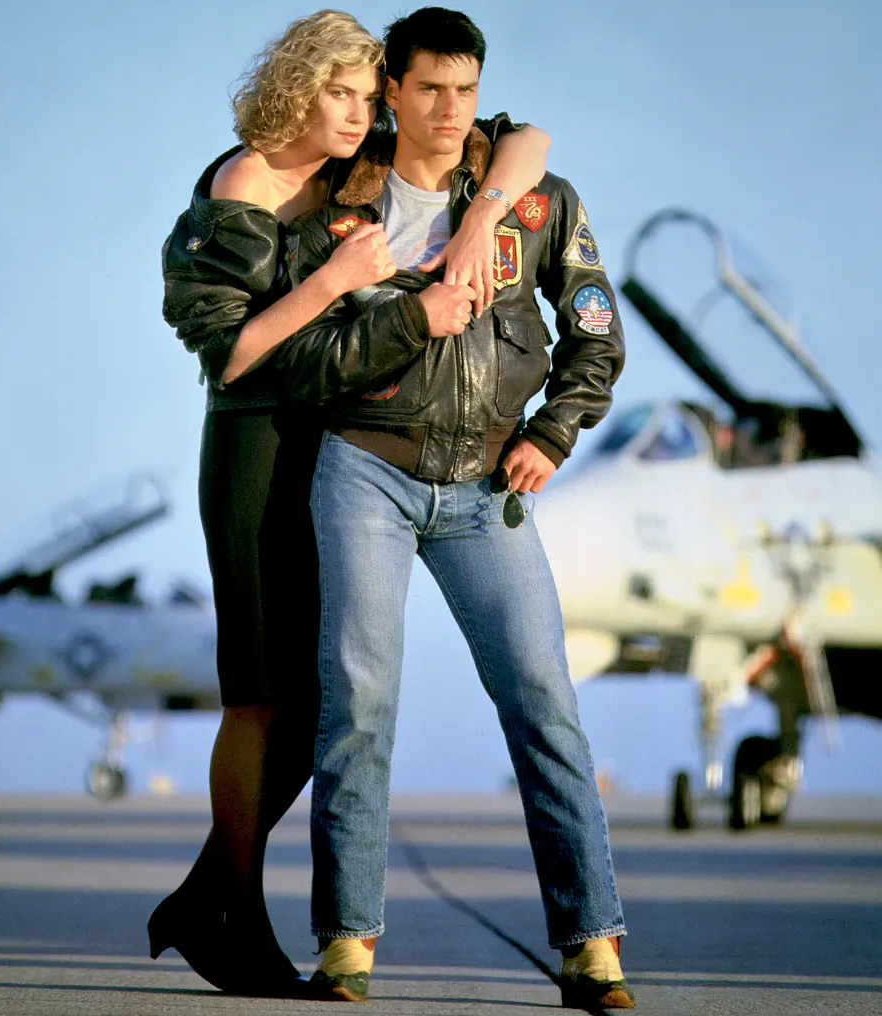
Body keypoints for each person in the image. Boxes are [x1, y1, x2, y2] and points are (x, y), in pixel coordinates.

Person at [150, 9, 552, 998]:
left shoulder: (351, 162)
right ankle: (230, 912)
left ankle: (209, 892)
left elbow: (531, 140)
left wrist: (477, 218)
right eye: (343, 94)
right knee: (257, 692)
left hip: (327, 439)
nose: (363, 115)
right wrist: (334, 276)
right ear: (298, 85)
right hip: (253, 441)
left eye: (371, 99)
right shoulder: (243, 181)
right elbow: (231, 351)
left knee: (319, 693)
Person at [274, 7, 634, 1009]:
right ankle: (347, 942)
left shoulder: (534, 201)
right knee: (361, 700)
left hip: (486, 488)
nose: (446, 110)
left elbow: (597, 332)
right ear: (392, 90)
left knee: (543, 701)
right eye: (427, 88)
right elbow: (300, 355)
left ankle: (591, 945)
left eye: (464, 91)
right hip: (365, 471)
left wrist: (553, 432)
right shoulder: (333, 206)